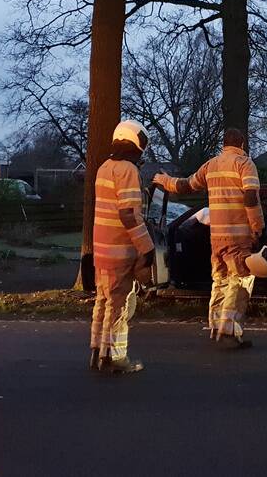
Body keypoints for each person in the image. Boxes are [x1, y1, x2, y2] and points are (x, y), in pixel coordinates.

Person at [154, 128, 264, 348]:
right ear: (242, 144)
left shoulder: (211, 166)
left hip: (217, 238)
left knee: (220, 281)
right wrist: (258, 226)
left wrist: (164, 180)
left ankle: (215, 327)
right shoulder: (245, 164)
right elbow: (251, 196)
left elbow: (186, 185)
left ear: (224, 144)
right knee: (240, 282)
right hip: (239, 237)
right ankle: (229, 332)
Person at [89, 120, 155, 375]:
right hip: (120, 251)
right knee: (119, 306)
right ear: (134, 143)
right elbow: (128, 214)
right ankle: (116, 357)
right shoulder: (127, 170)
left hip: (102, 250)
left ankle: (97, 351)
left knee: (103, 301)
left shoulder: (104, 167)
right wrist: (146, 247)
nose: (142, 152)